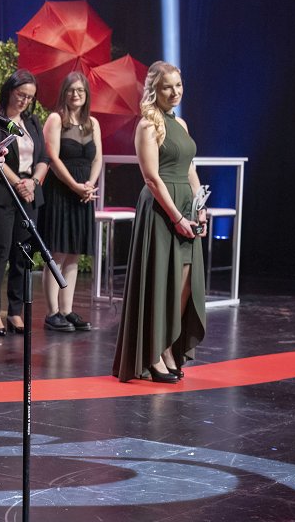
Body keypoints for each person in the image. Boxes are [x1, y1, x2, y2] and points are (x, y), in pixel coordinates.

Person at [113, 61, 206, 383]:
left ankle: (168, 346)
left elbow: (190, 168)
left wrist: (199, 207)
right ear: (154, 89)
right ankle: (154, 355)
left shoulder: (180, 123)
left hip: (186, 207)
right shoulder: (148, 125)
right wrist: (177, 216)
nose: (175, 92)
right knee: (160, 284)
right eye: (168, 86)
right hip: (161, 209)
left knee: (184, 286)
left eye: (178, 85)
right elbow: (152, 178)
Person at [0, 69, 49, 336]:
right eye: (21, 95)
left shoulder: (33, 122)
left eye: (30, 97)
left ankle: (15, 311)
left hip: (29, 194)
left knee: (23, 254)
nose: (24, 101)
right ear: (9, 91)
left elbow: (44, 158)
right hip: (1, 194)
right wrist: (19, 183)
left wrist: (34, 182)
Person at [39, 71, 101, 332]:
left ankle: (67, 310)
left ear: (86, 95)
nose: (76, 94)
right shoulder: (56, 119)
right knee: (58, 253)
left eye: (80, 90)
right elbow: (52, 158)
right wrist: (75, 186)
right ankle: (52, 312)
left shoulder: (92, 123)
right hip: (61, 191)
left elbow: (97, 158)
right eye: (71, 90)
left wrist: (89, 185)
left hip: (83, 193)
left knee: (74, 254)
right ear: (64, 93)